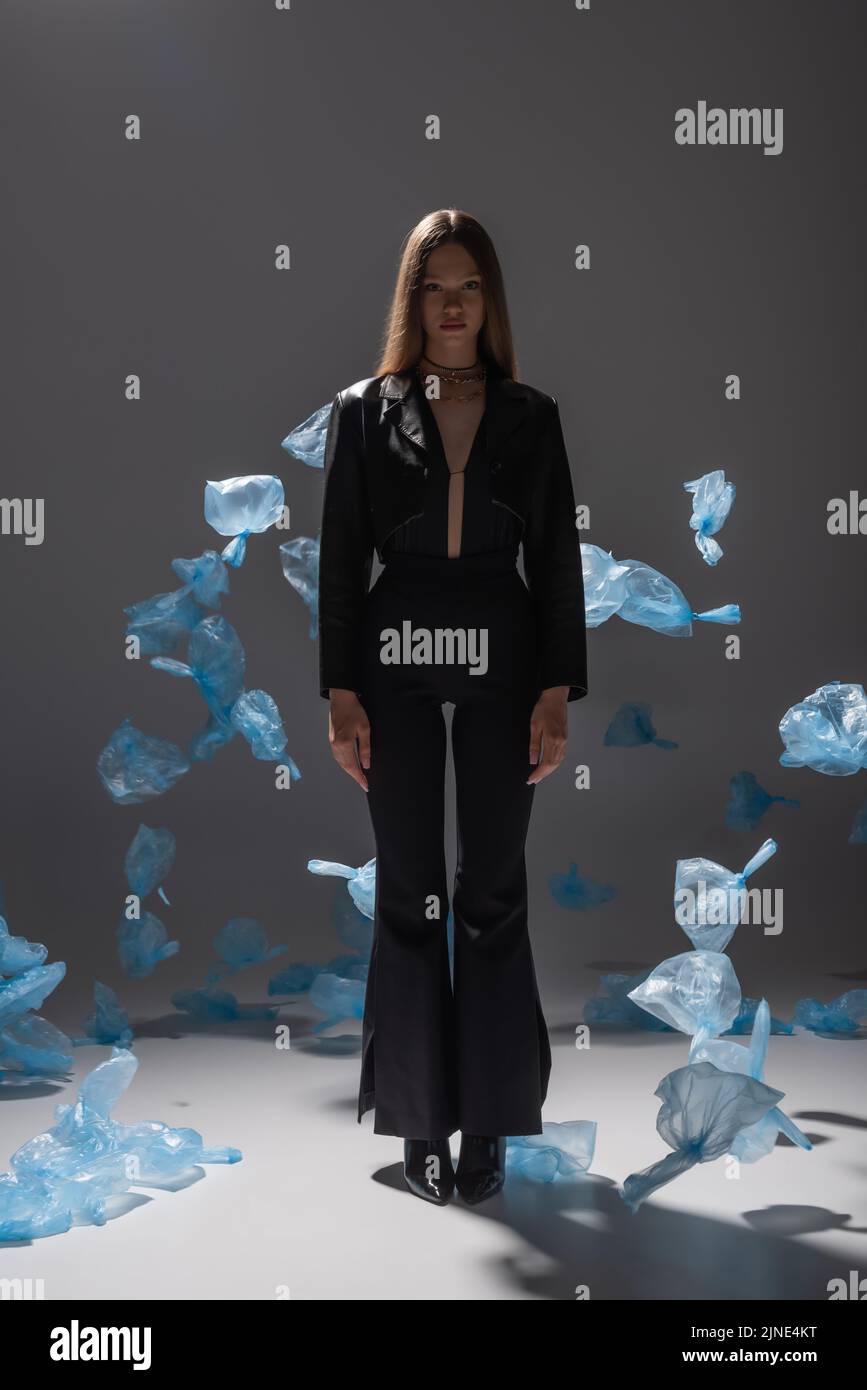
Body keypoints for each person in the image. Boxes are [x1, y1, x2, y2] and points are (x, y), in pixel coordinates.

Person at [318, 208, 588, 1204]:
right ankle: (421, 1125)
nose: (453, 304)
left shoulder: (533, 414)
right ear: (414, 300)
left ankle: (491, 1128)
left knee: (492, 890)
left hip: (502, 645)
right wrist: (341, 691)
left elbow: (555, 560)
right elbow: (342, 562)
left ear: (490, 300)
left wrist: (556, 687)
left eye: (469, 285)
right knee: (411, 888)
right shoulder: (362, 409)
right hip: (394, 648)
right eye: (435, 286)